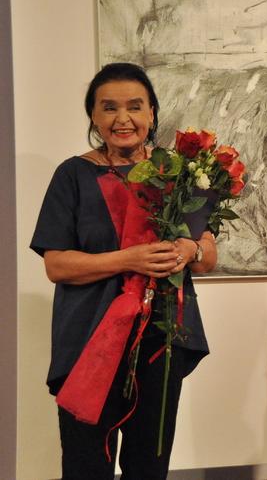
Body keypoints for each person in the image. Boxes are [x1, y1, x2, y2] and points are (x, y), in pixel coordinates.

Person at [30, 62, 217, 480]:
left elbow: (207, 256)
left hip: (160, 336)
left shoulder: (178, 173)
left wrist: (189, 249)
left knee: (148, 463)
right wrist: (129, 259)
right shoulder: (73, 175)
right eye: (109, 107)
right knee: (86, 463)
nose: (123, 118)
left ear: (152, 112)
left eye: (134, 106)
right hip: (89, 335)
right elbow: (56, 265)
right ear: (93, 116)